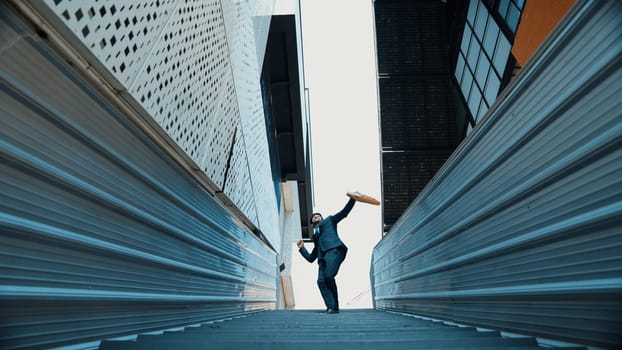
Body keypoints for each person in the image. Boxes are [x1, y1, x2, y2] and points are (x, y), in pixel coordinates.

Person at [296, 192, 357, 314]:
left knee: (329, 276)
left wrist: (353, 199)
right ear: (312, 223)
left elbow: (343, 213)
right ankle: (332, 307)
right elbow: (311, 258)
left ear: (322, 219)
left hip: (335, 250)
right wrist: (302, 248)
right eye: (314, 217)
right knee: (321, 281)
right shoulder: (316, 237)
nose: (316, 217)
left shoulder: (329, 221)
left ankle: (335, 306)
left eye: (318, 216)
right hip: (322, 260)